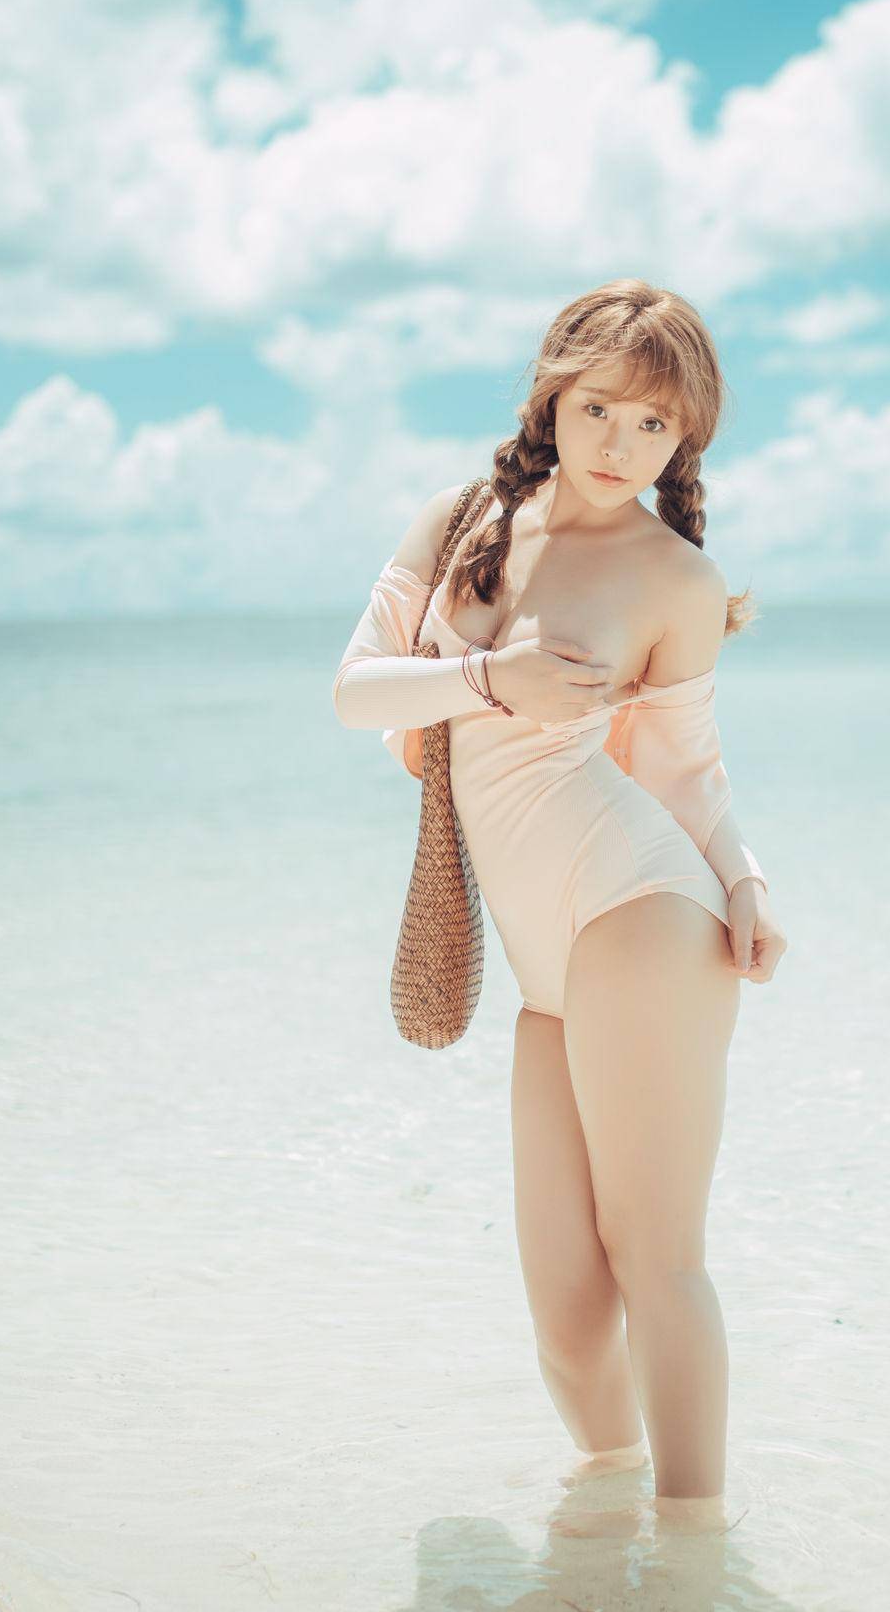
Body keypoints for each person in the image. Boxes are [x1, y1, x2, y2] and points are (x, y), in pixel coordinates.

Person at [332, 279, 786, 1525]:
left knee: (656, 1258)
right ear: (551, 392)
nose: (620, 447)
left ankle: (695, 1565)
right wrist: (492, 677)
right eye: (599, 410)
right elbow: (355, 693)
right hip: (542, 960)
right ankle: (600, 1528)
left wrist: (742, 882)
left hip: (640, 905)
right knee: (565, 1314)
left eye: (654, 428)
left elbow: (684, 766)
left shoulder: (676, 579)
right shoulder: (461, 520)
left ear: (683, 439)